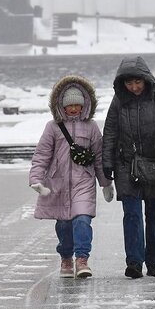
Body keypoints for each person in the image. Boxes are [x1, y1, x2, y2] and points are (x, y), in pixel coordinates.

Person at [101, 56, 155, 279]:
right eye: (129, 83)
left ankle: (154, 261)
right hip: (127, 165)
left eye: (137, 82)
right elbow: (110, 131)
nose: (134, 87)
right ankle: (135, 263)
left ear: (146, 79)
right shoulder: (119, 100)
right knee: (132, 215)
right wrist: (107, 163)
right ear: (122, 84)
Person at [29, 76, 113, 279]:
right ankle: (66, 256)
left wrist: (105, 183)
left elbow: (99, 156)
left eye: (77, 105)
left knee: (82, 220)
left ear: (84, 105)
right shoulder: (53, 127)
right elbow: (42, 154)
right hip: (58, 184)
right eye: (70, 105)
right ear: (61, 106)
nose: (74, 109)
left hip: (84, 182)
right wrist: (36, 179)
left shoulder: (92, 127)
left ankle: (82, 259)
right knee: (64, 224)